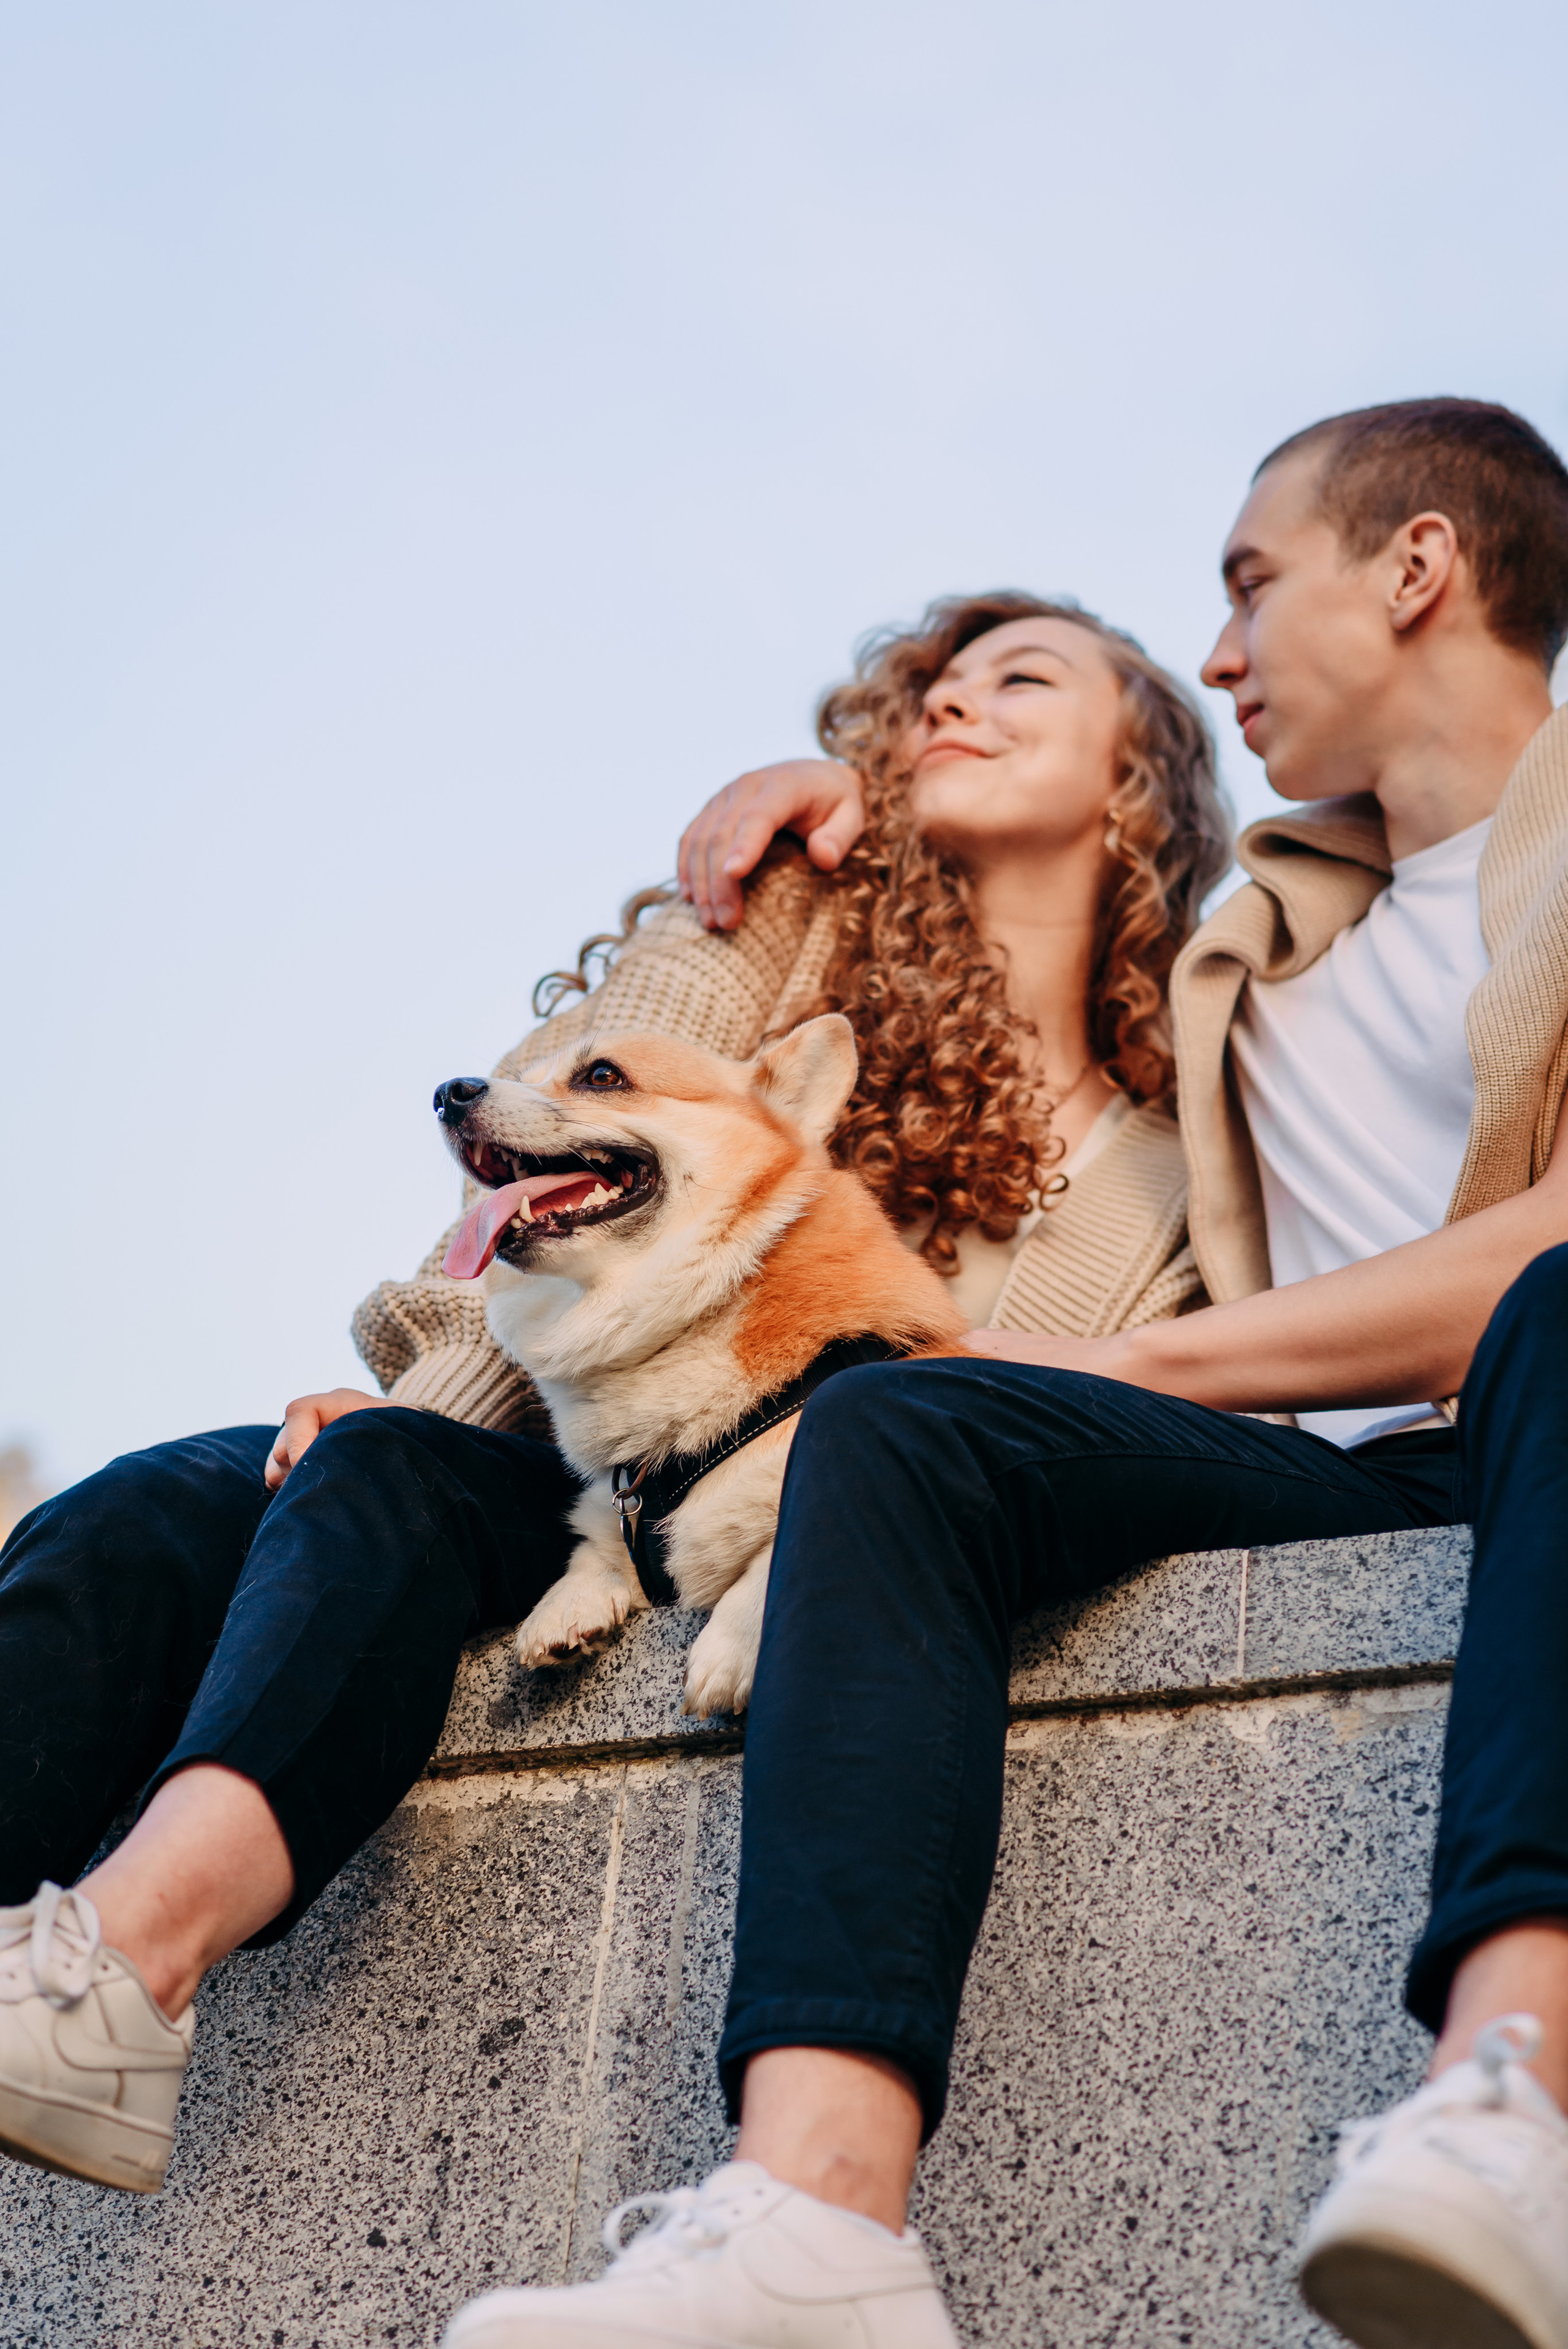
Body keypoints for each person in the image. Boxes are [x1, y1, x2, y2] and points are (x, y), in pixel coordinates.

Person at [440, 398, 1568, 2349]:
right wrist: (859, 796)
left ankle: (1515, 2093)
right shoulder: (1258, 951)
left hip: (1536, 1405)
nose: (1220, 651)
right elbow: (1053, 923)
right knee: (898, 1414)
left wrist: (1137, 1357)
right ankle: (817, 2224)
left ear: (1418, 568)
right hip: (1348, 1469)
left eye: (1251, 585)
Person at [0, 596, 1226, 2201]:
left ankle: (121, 1969)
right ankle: (73, 1980)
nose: (951, 704)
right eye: (933, 683)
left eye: (1024, 678)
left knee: (375, 1481)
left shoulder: (1193, 1144)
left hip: (852, 1561)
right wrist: (430, 1409)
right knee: (160, 1508)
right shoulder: (783, 919)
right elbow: (533, 1168)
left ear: (1144, 779)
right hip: (582, 1473)